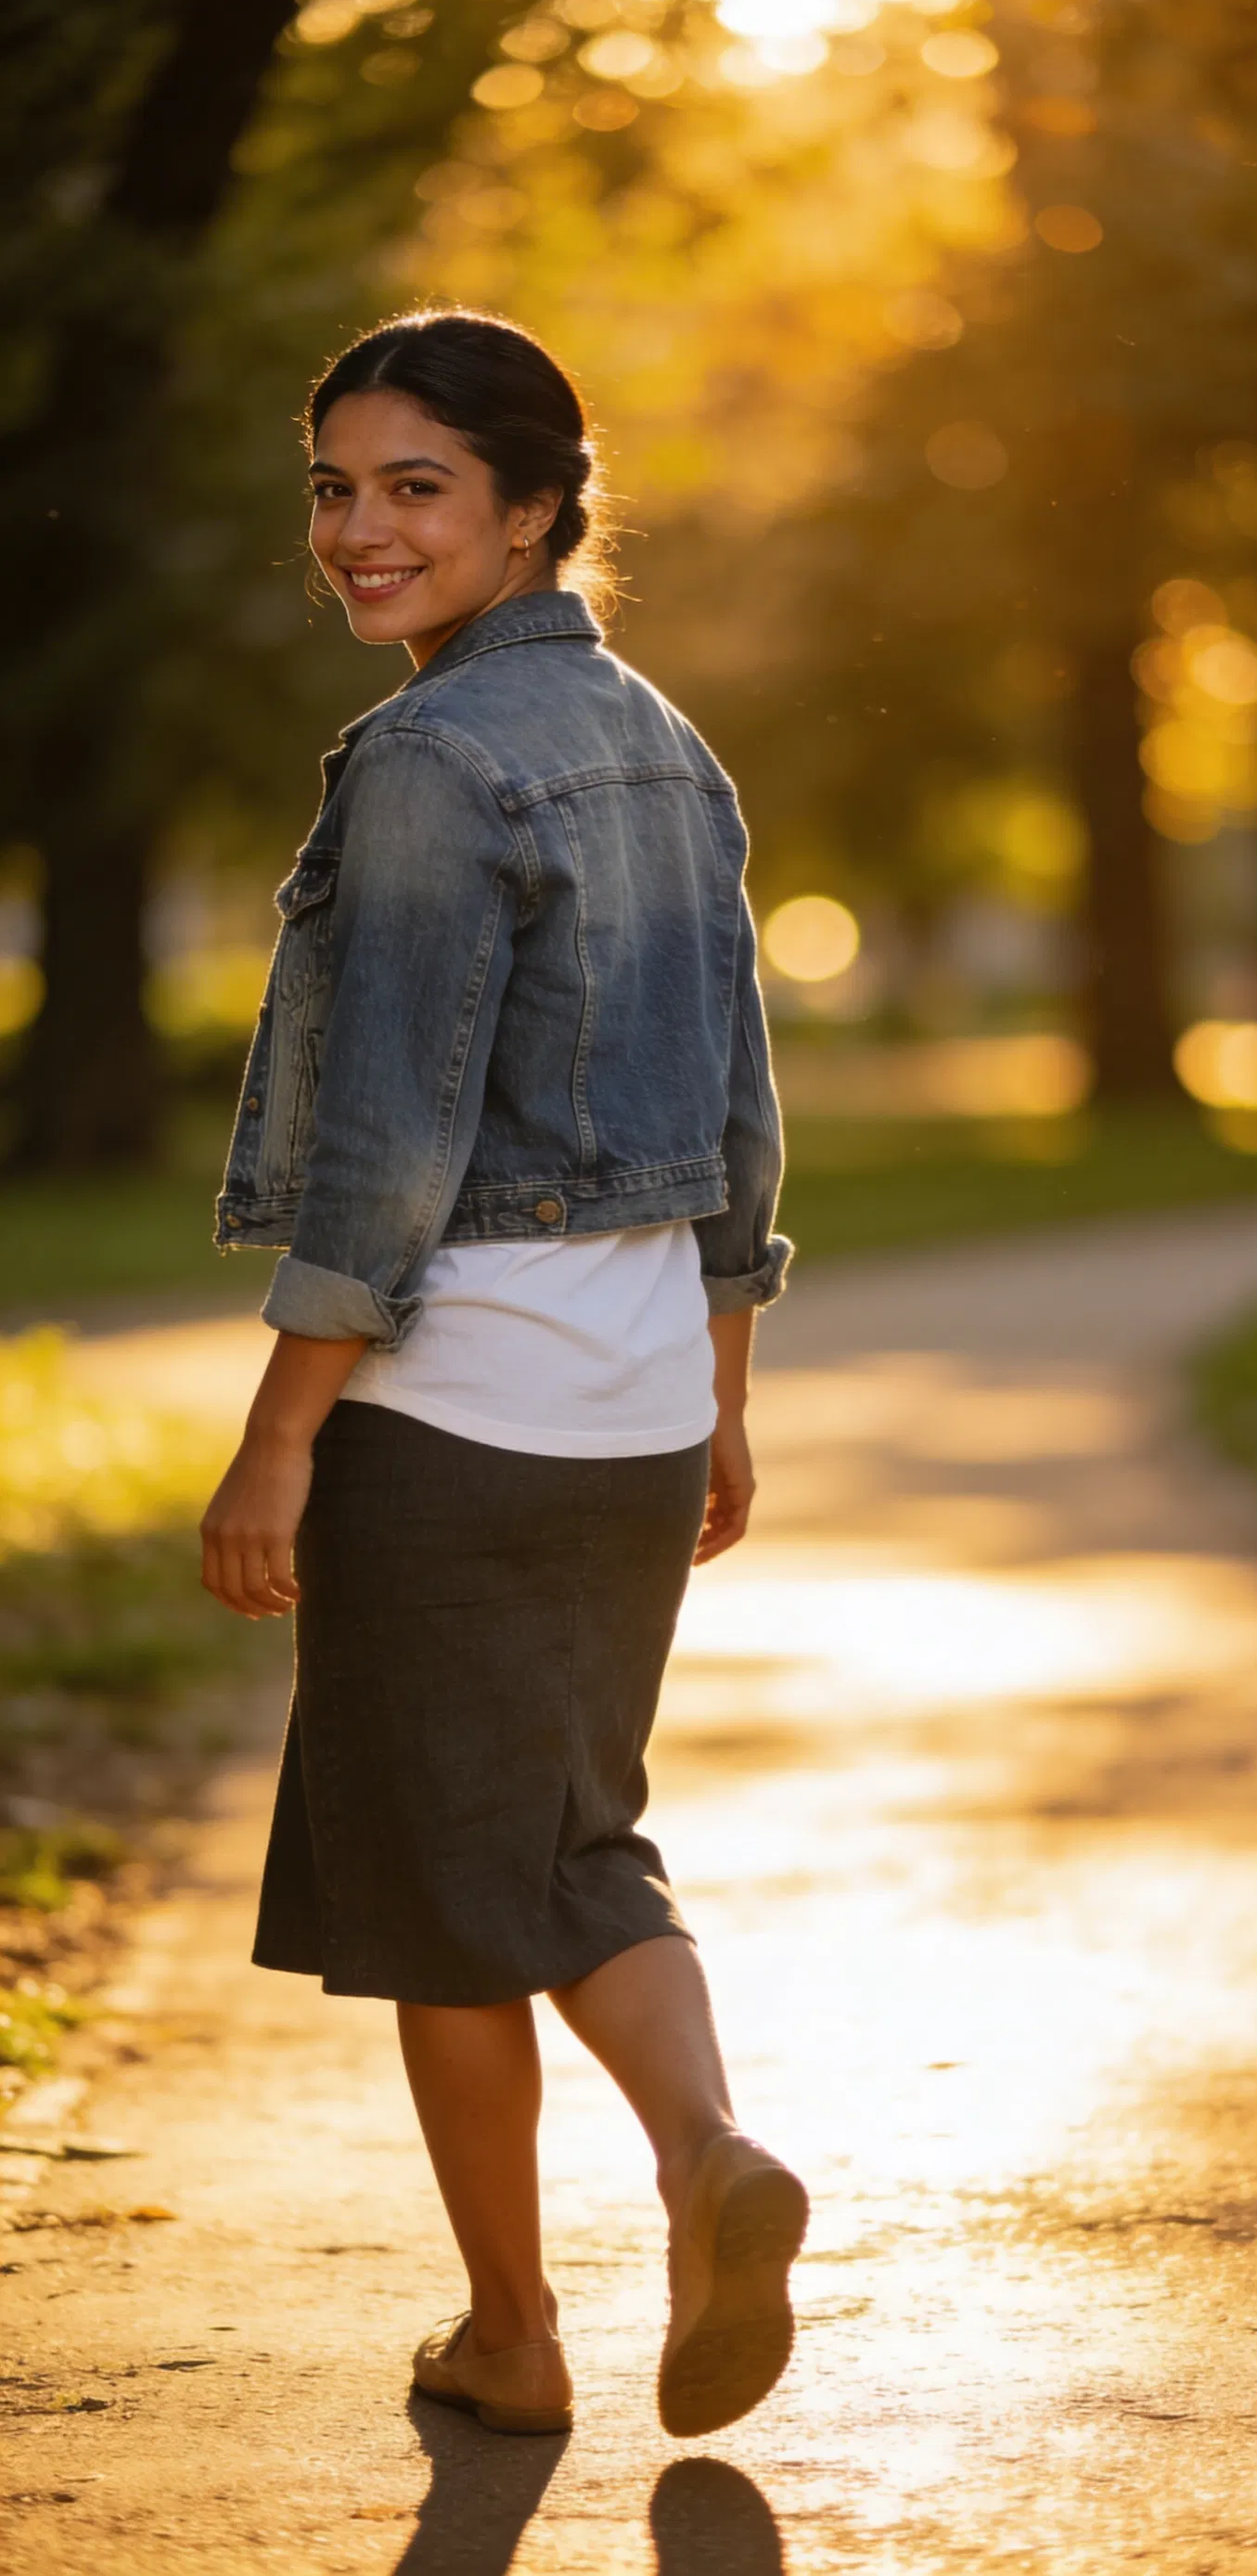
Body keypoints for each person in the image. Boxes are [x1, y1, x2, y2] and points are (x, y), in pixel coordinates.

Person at [200, 311, 806, 2441]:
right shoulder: (663, 740)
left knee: (450, 1909)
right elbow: (735, 1115)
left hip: (448, 1422)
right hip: (633, 1415)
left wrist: (280, 1439)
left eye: (415, 487)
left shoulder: (431, 767)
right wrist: (720, 1390)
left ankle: (517, 2332)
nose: (358, 531)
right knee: (572, 1843)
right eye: (334, 489)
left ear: (538, 505)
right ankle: (710, 2158)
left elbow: (383, 1152)